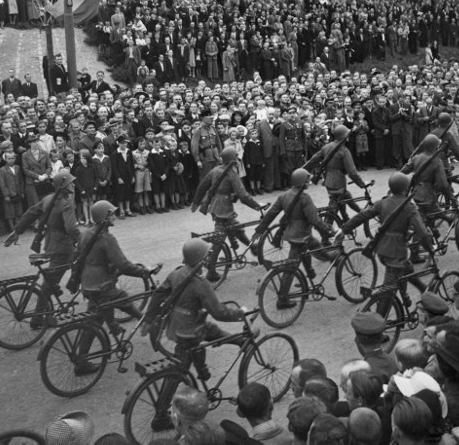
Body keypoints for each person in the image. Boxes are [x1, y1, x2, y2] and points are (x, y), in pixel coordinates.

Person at [142, 238, 250, 430]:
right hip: (190, 331)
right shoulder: (200, 283)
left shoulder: (176, 274)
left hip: (177, 326)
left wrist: (150, 317)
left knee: (211, 330)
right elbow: (219, 312)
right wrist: (240, 314)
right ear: (201, 259)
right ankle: (160, 417)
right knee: (177, 373)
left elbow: (159, 293)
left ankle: (235, 343)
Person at [72, 200, 152, 375]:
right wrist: (144, 272)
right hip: (102, 285)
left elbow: (79, 256)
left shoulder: (85, 234)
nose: (114, 216)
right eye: (112, 213)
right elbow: (124, 265)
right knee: (124, 299)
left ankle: (83, 358)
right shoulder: (107, 239)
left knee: (94, 320)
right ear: (105, 218)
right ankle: (147, 322)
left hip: (88, 284)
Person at [336, 172, 433, 315]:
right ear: (406, 188)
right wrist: (430, 248)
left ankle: (422, 293)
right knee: (388, 291)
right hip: (396, 252)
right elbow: (422, 233)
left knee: (407, 269)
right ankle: (378, 329)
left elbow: (363, 215)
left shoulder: (382, 202)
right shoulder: (409, 207)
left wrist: (344, 229)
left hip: (381, 249)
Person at [4, 170, 81, 328]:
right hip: (63, 248)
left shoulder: (48, 199)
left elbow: (31, 212)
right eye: (70, 182)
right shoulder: (67, 203)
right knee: (49, 283)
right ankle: (38, 319)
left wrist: (17, 230)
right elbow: (72, 228)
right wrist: (81, 241)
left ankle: (57, 290)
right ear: (65, 186)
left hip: (51, 244)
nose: (73, 184)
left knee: (54, 277)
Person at [253, 168, 337, 309]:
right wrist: (328, 231)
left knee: (313, 245)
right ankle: (283, 299)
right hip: (302, 235)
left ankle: (314, 270)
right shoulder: (304, 198)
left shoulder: (284, 196)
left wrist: (259, 230)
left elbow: (271, 213)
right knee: (291, 267)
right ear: (302, 183)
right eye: (306, 181)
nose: (308, 183)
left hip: (291, 234)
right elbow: (315, 220)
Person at [191, 146, 265, 282]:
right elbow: (243, 195)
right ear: (233, 160)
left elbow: (202, 186)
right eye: (236, 158)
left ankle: (252, 247)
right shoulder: (231, 174)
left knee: (235, 227)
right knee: (219, 239)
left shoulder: (215, 170)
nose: (238, 160)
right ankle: (211, 271)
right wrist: (257, 206)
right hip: (224, 208)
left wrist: (195, 202)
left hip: (215, 206)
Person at [305, 124, 365, 239]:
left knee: (347, 199)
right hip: (338, 183)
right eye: (347, 135)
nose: (348, 137)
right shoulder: (344, 151)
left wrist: (303, 170)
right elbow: (352, 173)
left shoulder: (327, 147)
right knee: (332, 211)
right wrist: (361, 184)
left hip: (328, 180)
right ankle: (325, 236)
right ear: (343, 137)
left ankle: (348, 222)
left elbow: (314, 159)